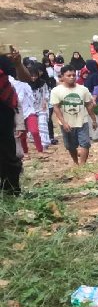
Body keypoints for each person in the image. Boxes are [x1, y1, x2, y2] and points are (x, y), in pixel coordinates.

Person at [50, 65, 97, 165]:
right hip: (67, 123)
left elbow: (88, 105)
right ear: (62, 77)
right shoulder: (56, 91)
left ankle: (82, 164)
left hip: (82, 121)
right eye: (68, 75)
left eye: (73, 75)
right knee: (71, 146)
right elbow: (56, 108)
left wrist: (93, 120)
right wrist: (63, 122)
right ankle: (76, 162)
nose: (72, 77)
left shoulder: (83, 89)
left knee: (85, 143)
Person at [0, 45, 30, 195]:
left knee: (8, 156)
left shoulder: (2, 59)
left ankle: (11, 193)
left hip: (3, 115)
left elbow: (25, 79)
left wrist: (18, 64)